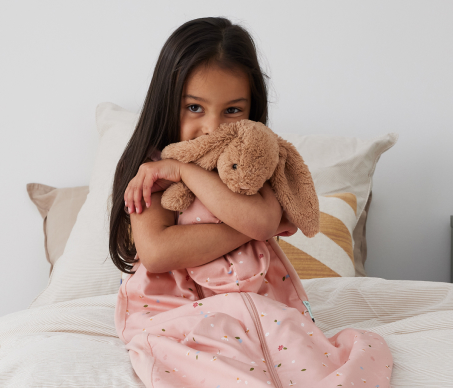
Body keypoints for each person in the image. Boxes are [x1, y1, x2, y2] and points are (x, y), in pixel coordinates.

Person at [111, 17, 393, 387]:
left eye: (232, 111)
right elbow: (158, 252)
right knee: (200, 360)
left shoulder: (250, 165)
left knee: (308, 356)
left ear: (251, 112)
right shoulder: (152, 171)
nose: (212, 127)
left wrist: (188, 172)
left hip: (263, 309)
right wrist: (246, 224)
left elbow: (260, 222)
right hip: (178, 312)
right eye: (194, 108)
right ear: (167, 103)